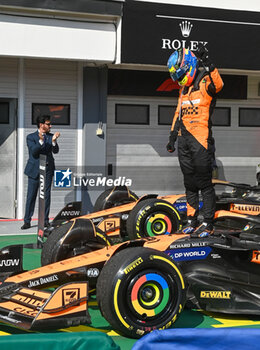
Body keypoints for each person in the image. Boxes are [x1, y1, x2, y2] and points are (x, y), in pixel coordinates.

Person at [166, 45, 224, 238]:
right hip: (184, 140)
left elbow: (219, 85)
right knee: (189, 183)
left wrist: (208, 63)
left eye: (180, 74)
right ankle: (191, 220)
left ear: (189, 66)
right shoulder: (183, 89)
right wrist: (172, 138)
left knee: (204, 183)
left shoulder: (206, 81)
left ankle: (207, 223)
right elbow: (178, 113)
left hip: (201, 140)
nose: (179, 79)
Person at [21, 115, 60, 229]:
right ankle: (27, 221)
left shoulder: (50, 136)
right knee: (31, 196)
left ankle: (45, 220)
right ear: (41, 125)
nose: (50, 126)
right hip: (34, 170)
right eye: (48, 124)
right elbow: (34, 152)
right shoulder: (31, 137)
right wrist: (41, 141)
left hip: (47, 170)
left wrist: (54, 141)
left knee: (46, 196)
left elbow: (56, 151)